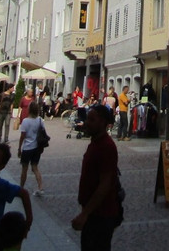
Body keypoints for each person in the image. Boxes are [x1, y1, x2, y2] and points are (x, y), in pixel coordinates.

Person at [71, 105, 122, 251]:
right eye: (87, 118)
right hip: (94, 213)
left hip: (101, 215)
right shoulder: (95, 143)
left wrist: (85, 213)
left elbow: (105, 184)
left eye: (91, 119)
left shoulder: (106, 146)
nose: (87, 122)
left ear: (103, 122)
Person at [17, 102, 47, 197]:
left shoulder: (25, 121)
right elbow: (43, 132)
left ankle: (21, 188)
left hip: (27, 147)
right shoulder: (40, 120)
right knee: (35, 168)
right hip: (37, 147)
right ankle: (40, 187)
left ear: (29, 110)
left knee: (24, 169)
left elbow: (22, 136)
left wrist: (19, 148)